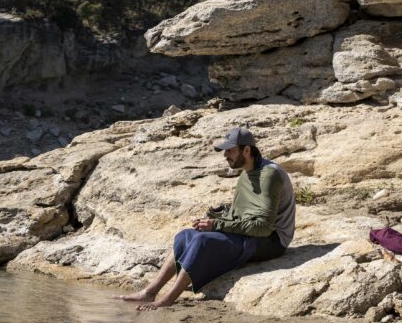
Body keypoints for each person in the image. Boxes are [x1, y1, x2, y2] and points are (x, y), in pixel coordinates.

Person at [117, 126, 295, 311]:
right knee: (185, 235)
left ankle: (167, 299)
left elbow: (264, 227)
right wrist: (216, 216)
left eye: (230, 150)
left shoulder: (269, 175)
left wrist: (217, 225)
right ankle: (150, 292)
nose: (225, 155)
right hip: (251, 234)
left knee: (202, 241)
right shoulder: (246, 174)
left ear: (247, 150)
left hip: (272, 241)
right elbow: (242, 213)